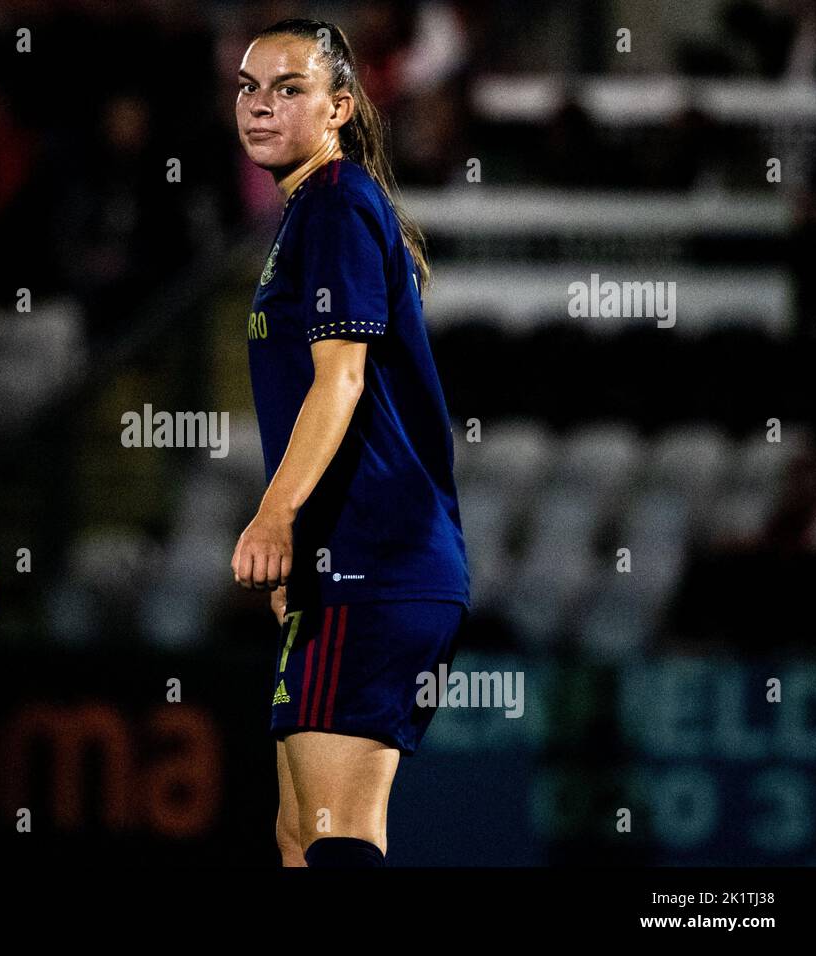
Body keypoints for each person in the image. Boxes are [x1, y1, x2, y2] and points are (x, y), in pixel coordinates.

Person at [231, 18, 470, 868]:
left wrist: (275, 516)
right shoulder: (313, 210)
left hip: (375, 564)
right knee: (300, 833)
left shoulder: (334, 203)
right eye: (248, 87)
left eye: (288, 88)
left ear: (337, 107)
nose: (259, 106)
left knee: (336, 833)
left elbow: (343, 379)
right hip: (347, 567)